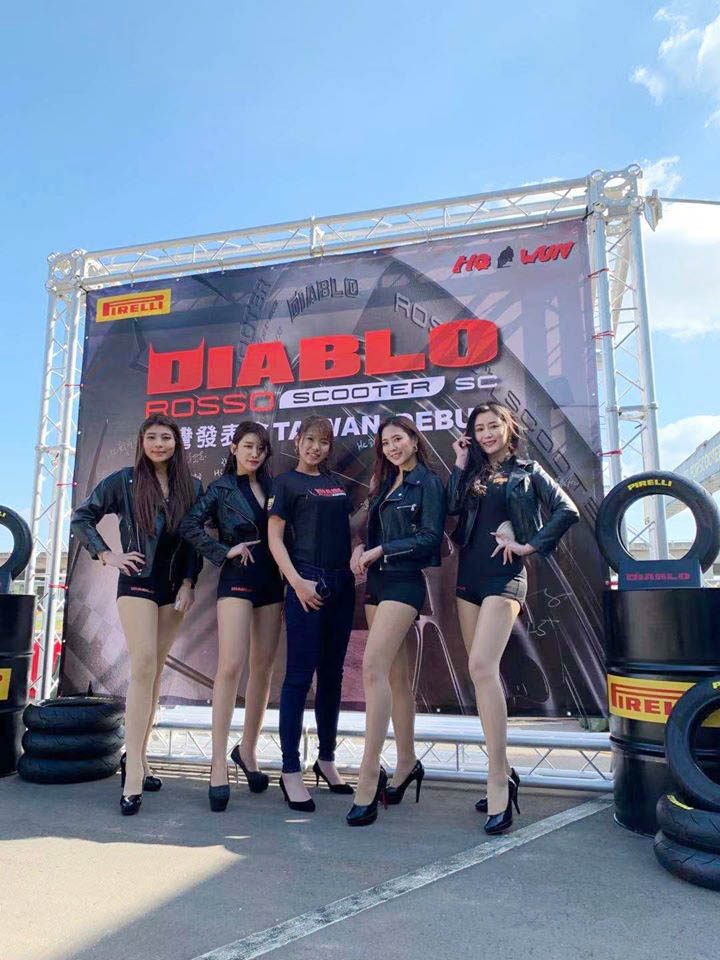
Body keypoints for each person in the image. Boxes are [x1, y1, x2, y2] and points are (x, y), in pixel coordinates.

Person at [447, 401, 579, 834]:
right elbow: (451, 507)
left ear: (509, 428)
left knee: (483, 667)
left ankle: (497, 781)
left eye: (493, 426)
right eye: (479, 428)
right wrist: (460, 463)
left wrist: (528, 543)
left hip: (505, 576)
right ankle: (503, 769)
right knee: (479, 675)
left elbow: (567, 510)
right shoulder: (472, 473)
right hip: (468, 576)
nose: (486, 434)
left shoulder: (528, 470)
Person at [71, 414, 203, 815]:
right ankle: (131, 777)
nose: (159, 444)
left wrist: (189, 583)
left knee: (155, 672)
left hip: (174, 588)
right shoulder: (124, 481)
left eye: (166, 437)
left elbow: (194, 542)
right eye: (152, 437)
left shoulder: (192, 487)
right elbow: (82, 517)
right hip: (137, 584)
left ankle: (140, 759)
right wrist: (106, 554)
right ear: (142, 443)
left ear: (177, 443)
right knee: (144, 665)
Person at [178, 422, 284, 812]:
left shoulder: (274, 487)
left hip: (271, 581)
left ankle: (248, 752)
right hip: (236, 578)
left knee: (264, 669)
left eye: (261, 448)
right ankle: (217, 762)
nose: (255, 454)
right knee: (230, 666)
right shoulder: (220, 488)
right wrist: (224, 551)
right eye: (248, 446)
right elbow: (189, 526)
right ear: (234, 447)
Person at [347, 416, 446, 826]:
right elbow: (369, 534)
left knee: (372, 669)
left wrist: (381, 551)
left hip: (404, 582)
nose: (392, 447)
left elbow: (430, 538)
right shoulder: (383, 484)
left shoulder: (428, 483)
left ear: (414, 441)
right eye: (386, 442)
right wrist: (360, 549)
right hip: (375, 584)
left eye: (398, 439)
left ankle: (369, 774)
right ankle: (407, 763)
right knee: (396, 678)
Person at [267, 415, 356, 812]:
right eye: (310, 440)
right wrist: (296, 582)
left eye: (323, 442)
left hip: (342, 585)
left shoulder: (336, 484)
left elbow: (347, 530)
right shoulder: (286, 483)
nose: (316, 447)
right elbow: (274, 539)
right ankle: (290, 769)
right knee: (299, 678)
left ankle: (326, 759)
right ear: (297, 440)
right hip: (306, 582)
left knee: (332, 677)